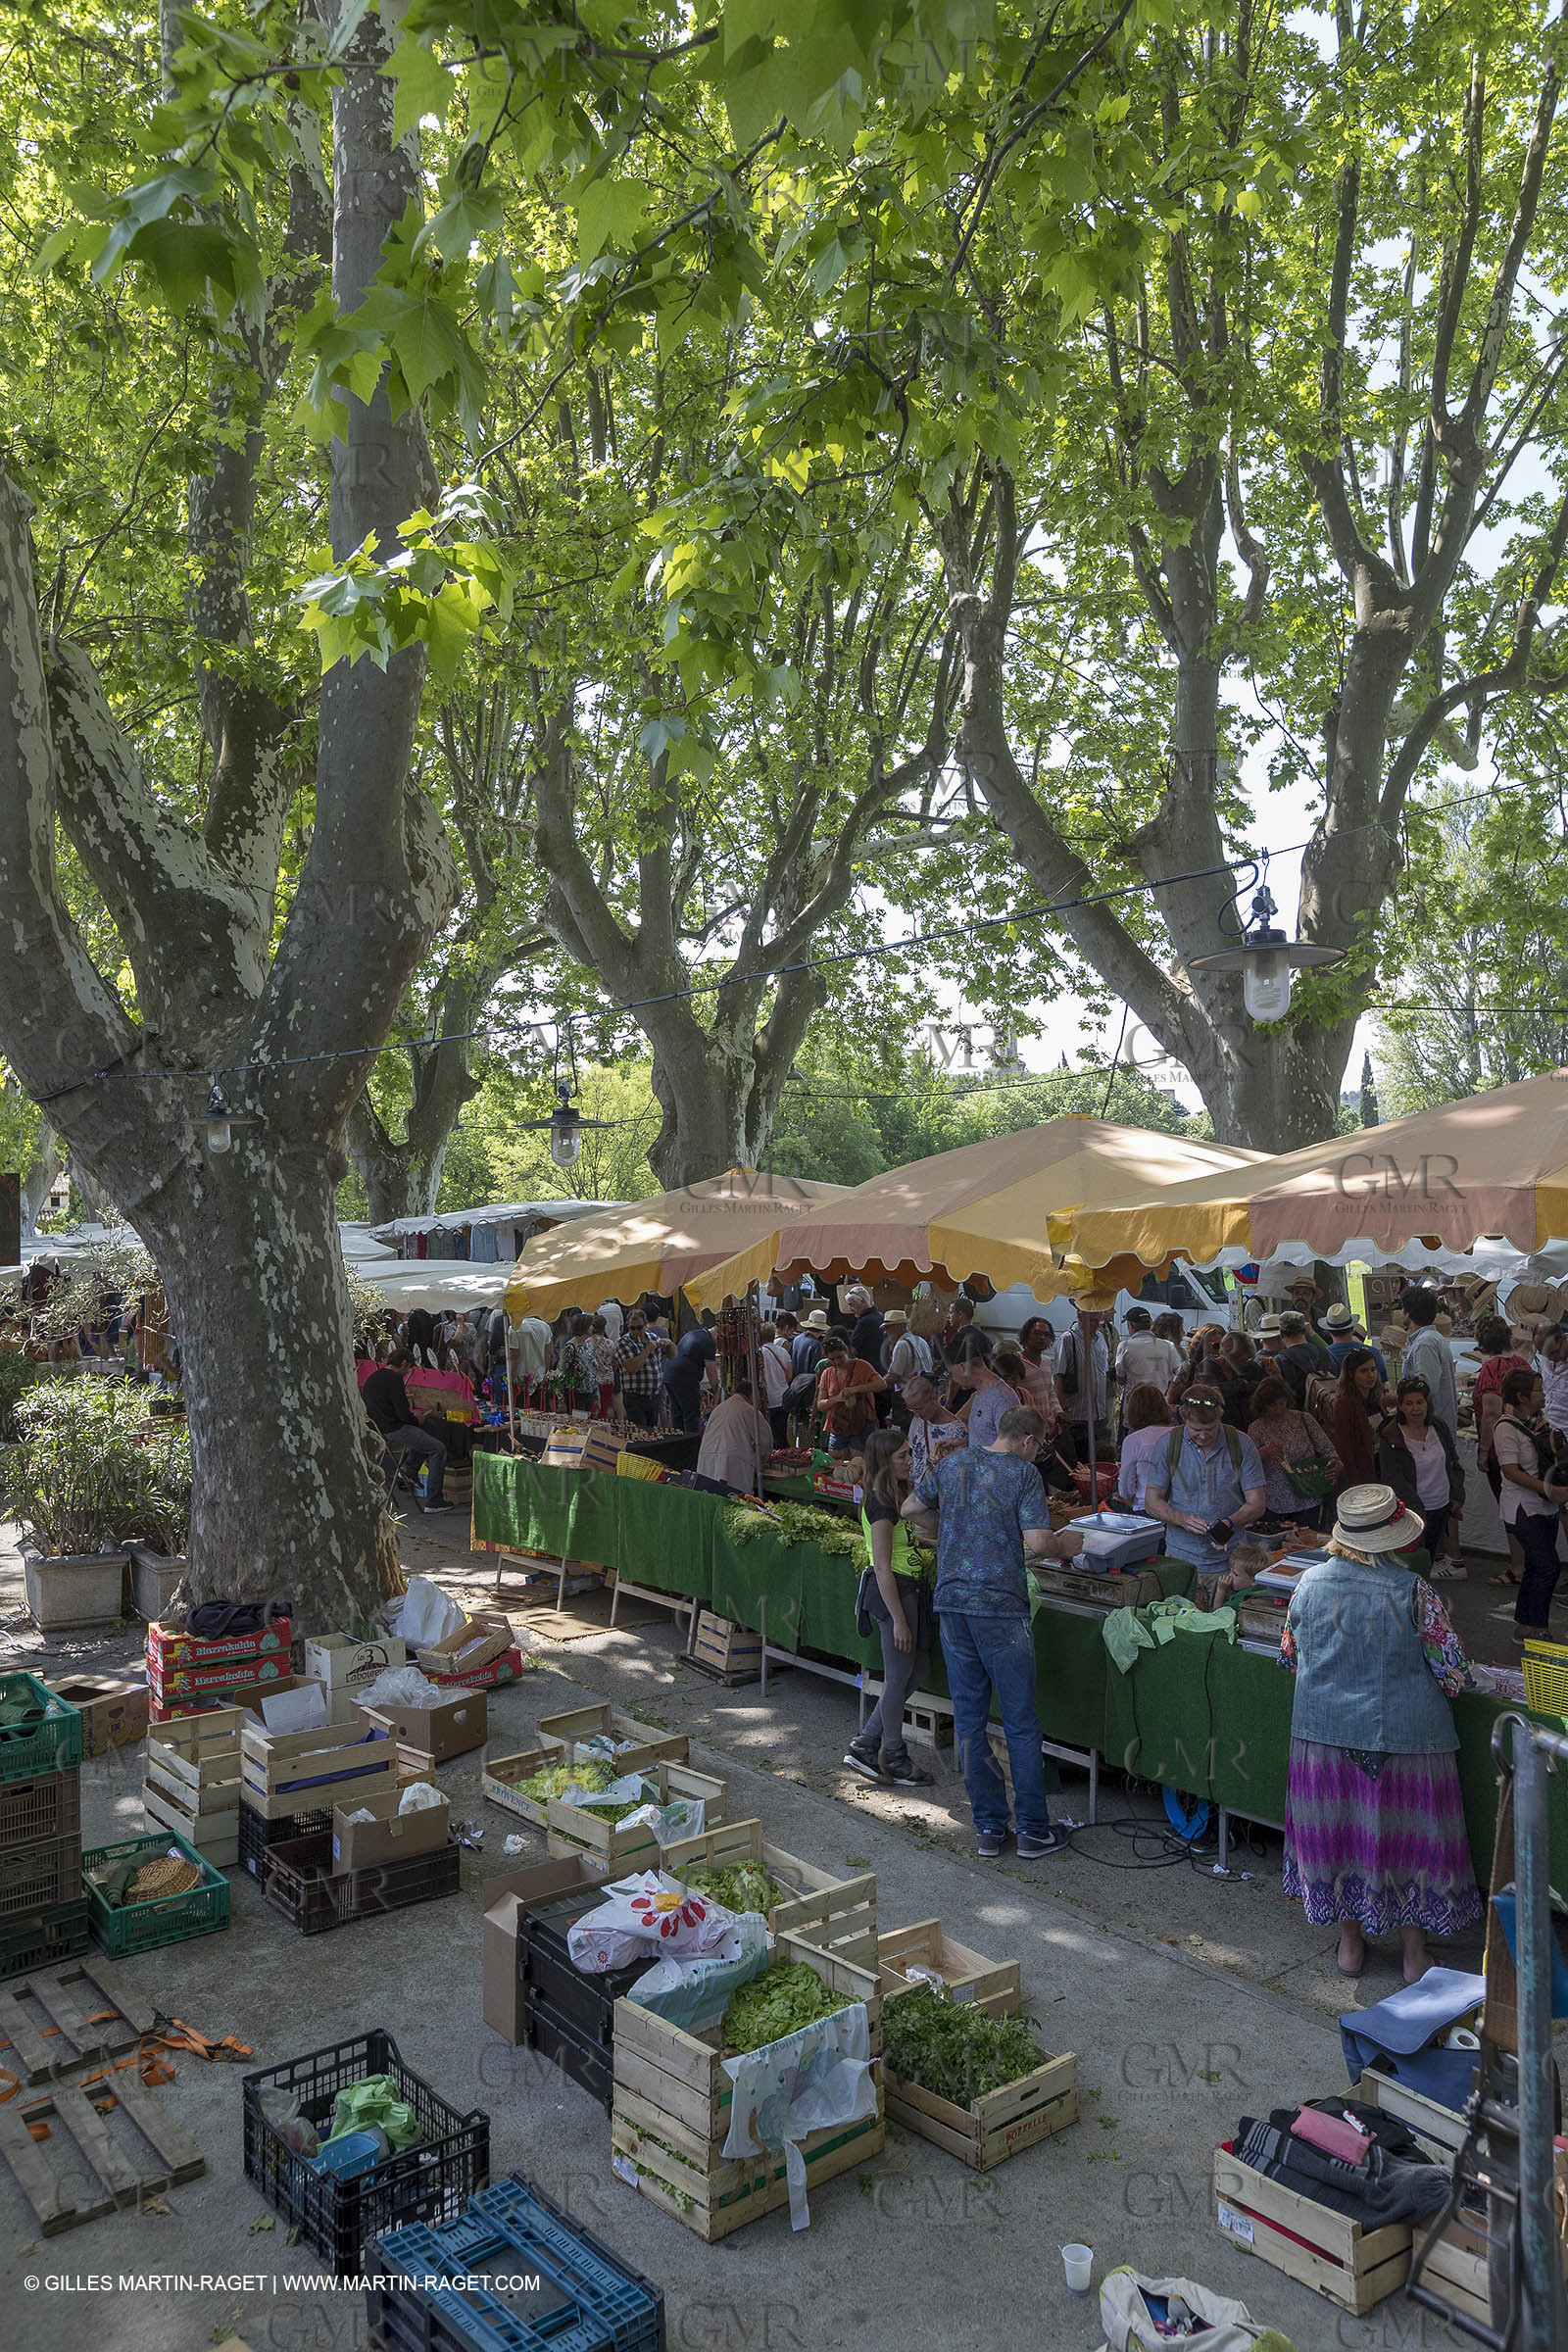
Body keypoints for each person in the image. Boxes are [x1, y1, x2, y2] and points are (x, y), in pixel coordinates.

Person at [1280, 1483, 1480, 1983]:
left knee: (1341, 1839)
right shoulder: (1414, 1590)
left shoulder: (1306, 1584)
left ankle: (1350, 1948)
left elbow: (1290, 1656)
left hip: (1324, 1739)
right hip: (1407, 1740)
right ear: (1393, 1537)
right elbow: (1454, 1674)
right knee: (1412, 1844)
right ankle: (1414, 1957)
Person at [906, 1403, 1084, 1857]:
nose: (1038, 1453)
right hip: (1000, 1607)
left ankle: (988, 1827)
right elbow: (1039, 1542)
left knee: (970, 1720)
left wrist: (951, 1526)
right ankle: (1033, 1830)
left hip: (953, 1602)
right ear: (1028, 1440)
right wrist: (1067, 1543)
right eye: (1040, 1446)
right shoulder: (1023, 1474)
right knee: (1020, 1723)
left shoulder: (953, 1463)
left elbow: (911, 1508)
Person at [844, 1429, 936, 1789]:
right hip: (894, 1593)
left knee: (919, 1668)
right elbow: (881, 1566)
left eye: (910, 1453)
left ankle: (867, 1742)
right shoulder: (881, 1504)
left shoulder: (896, 1496)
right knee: (898, 1677)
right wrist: (899, 1620)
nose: (910, 1461)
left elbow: (914, 1533)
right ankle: (893, 1754)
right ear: (884, 1461)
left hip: (909, 1590)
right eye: (903, 1456)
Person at [1143, 1384, 1268, 1575]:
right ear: (1184, 1419)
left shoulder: (1242, 1444)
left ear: (1220, 1417)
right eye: (1196, 1429)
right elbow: (1152, 1502)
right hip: (1180, 1559)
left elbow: (1257, 1503)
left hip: (1232, 1562)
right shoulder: (1167, 1444)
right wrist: (1182, 1519)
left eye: (1210, 1429)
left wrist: (1229, 1523)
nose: (1203, 1436)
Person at [1494, 1364, 1566, 1641]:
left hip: (1544, 1506)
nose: (1543, 1394)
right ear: (1521, 1397)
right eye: (1538, 1390)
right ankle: (1536, 1628)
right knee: (1548, 1567)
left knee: (1537, 1567)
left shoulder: (1538, 1421)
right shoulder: (1505, 1428)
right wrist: (1551, 1489)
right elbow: (1510, 1471)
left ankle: (1526, 1627)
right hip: (1523, 1507)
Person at [1379, 1376, 1466, 1573]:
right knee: (1412, 1566)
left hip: (1441, 1507)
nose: (1415, 1409)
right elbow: (1393, 1479)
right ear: (1400, 1406)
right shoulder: (1391, 1436)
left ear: (1428, 1403)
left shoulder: (1439, 1427)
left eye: (1420, 1402)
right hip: (1411, 1513)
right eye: (1408, 1403)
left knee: (1429, 1559)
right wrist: (1416, 1510)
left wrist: (1456, 1496)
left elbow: (1454, 1464)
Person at [1471, 1311, 1533, 1588]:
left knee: (1511, 1509)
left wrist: (1484, 1451)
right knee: (1526, 1508)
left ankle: (1518, 1568)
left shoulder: (1491, 1369)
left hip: (1502, 1450)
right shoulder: (1521, 1363)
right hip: (1525, 1445)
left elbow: (1491, 1414)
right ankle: (1530, 1563)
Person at [363, 1346, 453, 1512]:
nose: (407, 1373)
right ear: (404, 1363)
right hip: (395, 1428)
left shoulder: (373, 1378)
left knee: (427, 1430)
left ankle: (410, 1469)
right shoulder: (394, 1380)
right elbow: (403, 1414)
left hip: (380, 1428)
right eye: (408, 1369)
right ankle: (434, 1500)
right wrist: (416, 1419)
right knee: (438, 1449)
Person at [1246, 1376, 1340, 1532]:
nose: (1278, 1409)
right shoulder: (1256, 1428)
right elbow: (1247, 1465)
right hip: (1275, 1500)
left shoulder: (1303, 1419)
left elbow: (1327, 1449)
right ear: (1262, 1405)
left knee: (1308, 1538)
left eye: (1281, 1403)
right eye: (1272, 1405)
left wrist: (1334, 1463)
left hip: (1308, 1494)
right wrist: (1263, 1452)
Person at [693, 1372, 772, 1497]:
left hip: (707, 1461)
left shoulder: (718, 1408)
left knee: (709, 1499)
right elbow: (765, 1442)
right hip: (732, 1464)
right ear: (751, 1396)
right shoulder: (749, 1411)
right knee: (733, 1502)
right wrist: (762, 1460)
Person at [1399, 1289, 1458, 1441]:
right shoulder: (1433, 1338)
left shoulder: (1424, 1344)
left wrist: (1397, 1397)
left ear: (1408, 1313)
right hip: (1436, 1428)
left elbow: (1425, 1388)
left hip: (1431, 1430)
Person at [813, 1334, 884, 1450]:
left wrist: (854, 1389)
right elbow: (820, 1405)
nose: (837, 1362)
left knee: (859, 1458)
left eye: (840, 1357)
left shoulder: (861, 1366)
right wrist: (837, 1398)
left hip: (862, 1424)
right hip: (838, 1425)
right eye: (832, 1359)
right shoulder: (827, 1373)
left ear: (846, 1351)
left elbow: (881, 1384)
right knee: (836, 1458)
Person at [1054, 1313, 1110, 1456]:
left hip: (1098, 1413)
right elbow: (1058, 1376)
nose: (1097, 1325)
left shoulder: (1100, 1338)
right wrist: (1063, 1409)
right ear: (1080, 1317)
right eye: (1092, 1321)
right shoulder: (1068, 1338)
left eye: (1099, 1320)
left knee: (1099, 1456)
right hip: (1076, 1414)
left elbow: (1103, 1373)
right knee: (1080, 1457)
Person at [1332, 1346, 1386, 1491]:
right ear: (1351, 1374)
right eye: (1364, 1371)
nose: (1371, 1375)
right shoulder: (1344, 1404)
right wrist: (1356, 1483)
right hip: (1363, 1473)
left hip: (1383, 1464)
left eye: (1373, 1370)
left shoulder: (1375, 1398)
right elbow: (1345, 1448)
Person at [1115, 1384, 1176, 1511]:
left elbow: (1125, 1491)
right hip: (1180, 1508)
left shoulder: (1133, 1440)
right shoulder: (1180, 1434)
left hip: (1146, 1510)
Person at [901, 1374, 968, 1485]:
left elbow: (959, 1472)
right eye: (912, 1410)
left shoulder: (956, 1429)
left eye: (919, 1409)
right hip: (916, 1488)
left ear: (934, 1399)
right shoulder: (917, 1420)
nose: (916, 1414)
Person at [661, 1316, 717, 1436]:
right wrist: (717, 1392)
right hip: (684, 1379)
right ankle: (690, 1444)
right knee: (691, 1415)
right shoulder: (709, 1342)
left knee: (677, 1414)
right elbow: (712, 1373)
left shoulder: (696, 1333)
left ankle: (678, 1443)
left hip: (669, 1374)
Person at [616, 1308, 667, 1431]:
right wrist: (647, 1350)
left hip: (653, 1396)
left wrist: (670, 1345)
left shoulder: (653, 1337)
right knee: (639, 1433)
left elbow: (673, 1355)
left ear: (646, 1325)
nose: (636, 1332)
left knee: (651, 1432)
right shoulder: (624, 1342)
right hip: (635, 1398)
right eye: (632, 1328)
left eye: (639, 1328)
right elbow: (632, 1368)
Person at [1116, 1307, 1183, 1396]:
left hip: (1134, 1399)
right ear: (1151, 1324)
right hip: (1160, 1399)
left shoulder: (1124, 1346)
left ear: (1130, 1326)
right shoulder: (1169, 1346)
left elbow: (1121, 1378)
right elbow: (1179, 1374)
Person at [1016, 1318, 1061, 1430]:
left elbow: (1049, 1392)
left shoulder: (1047, 1362)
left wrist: (1058, 1412)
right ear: (1027, 1335)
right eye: (1037, 1333)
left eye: (1046, 1335)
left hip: (1047, 1427)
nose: (1042, 1338)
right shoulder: (1016, 1361)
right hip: (1026, 1426)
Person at [759, 1318, 796, 1447]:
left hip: (766, 1399)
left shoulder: (758, 1353)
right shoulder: (783, 1352)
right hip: (782, 1398)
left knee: (767, 1435)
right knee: (781, 1435)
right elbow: (789, 1376)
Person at [1324, 1303, 1387, 1378]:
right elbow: (1384, 1381)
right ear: (1353, 1328)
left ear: (1328, 1331)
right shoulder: (1373, 1353)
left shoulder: (1323, 1357)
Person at [512, 1311, 553, 1408]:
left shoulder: (515, 1328)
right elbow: (549, 1353)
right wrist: (545, 1373)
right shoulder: (545, 1326)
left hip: (521, 1381)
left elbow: (515, 1356)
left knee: (522, 1413)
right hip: (540, 1378)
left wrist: (512, 1378)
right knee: (541, 1413)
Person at [847, 1289, 886, 1372]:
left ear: (863, 1302)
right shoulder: (880, 1316)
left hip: (868, 1369)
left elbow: (852, 1350)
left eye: (852, 1305)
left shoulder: (864, 1322)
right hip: (882, 1368)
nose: (850, 1309)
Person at [587, 1314, 617, 1419]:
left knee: (592, 1409)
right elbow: (613, 1362)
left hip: (591, 1380)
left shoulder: (587, 1342)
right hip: (607, 1380)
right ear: (604, 1327)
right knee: (604, 1408)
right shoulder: (610, 1343)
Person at [791, 1308, 830, 1379]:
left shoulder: (796, 1339)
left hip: (794, 1381)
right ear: (822, 1329)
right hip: (807, 1382)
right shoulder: (816, 1344)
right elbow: (815, 1369)